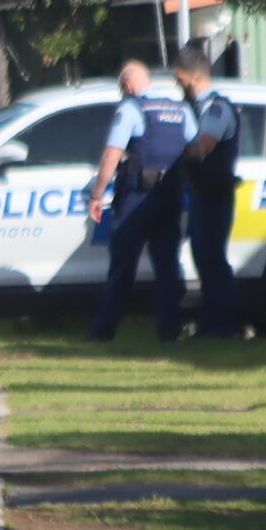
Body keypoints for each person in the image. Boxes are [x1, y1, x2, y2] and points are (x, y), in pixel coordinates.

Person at [86, 61, 195, 341]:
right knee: (167, 265)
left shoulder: (131, 108)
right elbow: (196, 152)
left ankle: (103, 331)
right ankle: (170, 330)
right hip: (170, 196)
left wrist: (97, 195)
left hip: (136, 197)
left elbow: (112, 155)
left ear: (128, 86)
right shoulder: (180, 109)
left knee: (123, 265)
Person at [174, 46, 242, 337]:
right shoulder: (196, 107)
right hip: (203, 192)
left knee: (212, 258)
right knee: (203, 256)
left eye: (181, 79)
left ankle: (223, 327)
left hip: (215, 194)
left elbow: (203, 147)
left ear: (195, 76)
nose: (179, 85)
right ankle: (211, 324)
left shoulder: (215, 108)